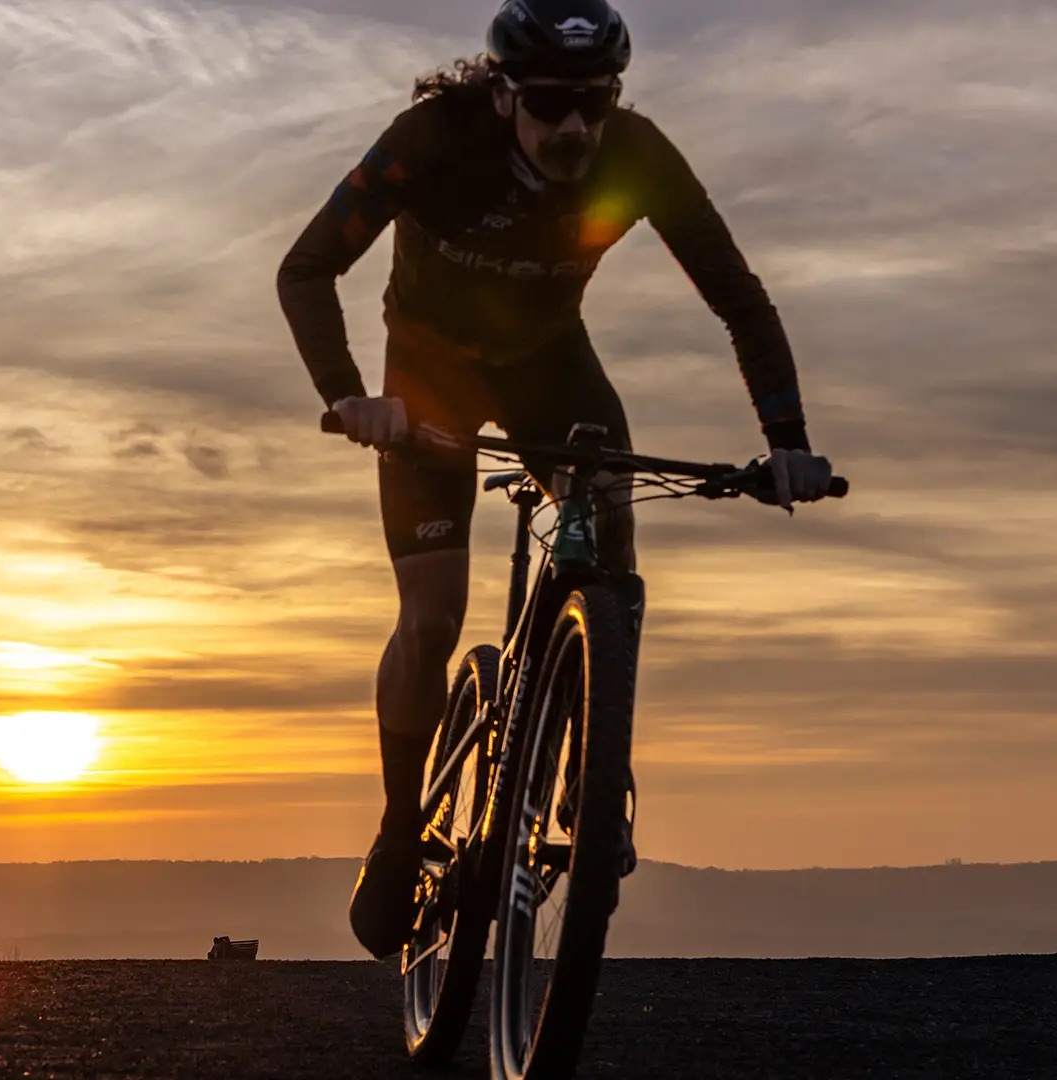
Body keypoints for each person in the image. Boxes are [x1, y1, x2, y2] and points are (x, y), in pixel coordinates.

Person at [276, 0, 835, 959]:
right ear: (503, 96)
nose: (575, 126)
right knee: (433, 616)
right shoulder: (432, 141)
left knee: (611, 526)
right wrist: (349, 396)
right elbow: (306, 267)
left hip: (549, 368)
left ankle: (595, 769)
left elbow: (738, 296)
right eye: (550, 103)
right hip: (427, 379)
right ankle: (403, 826)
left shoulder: (638, 155)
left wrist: (786, 440)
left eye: (594, 103)